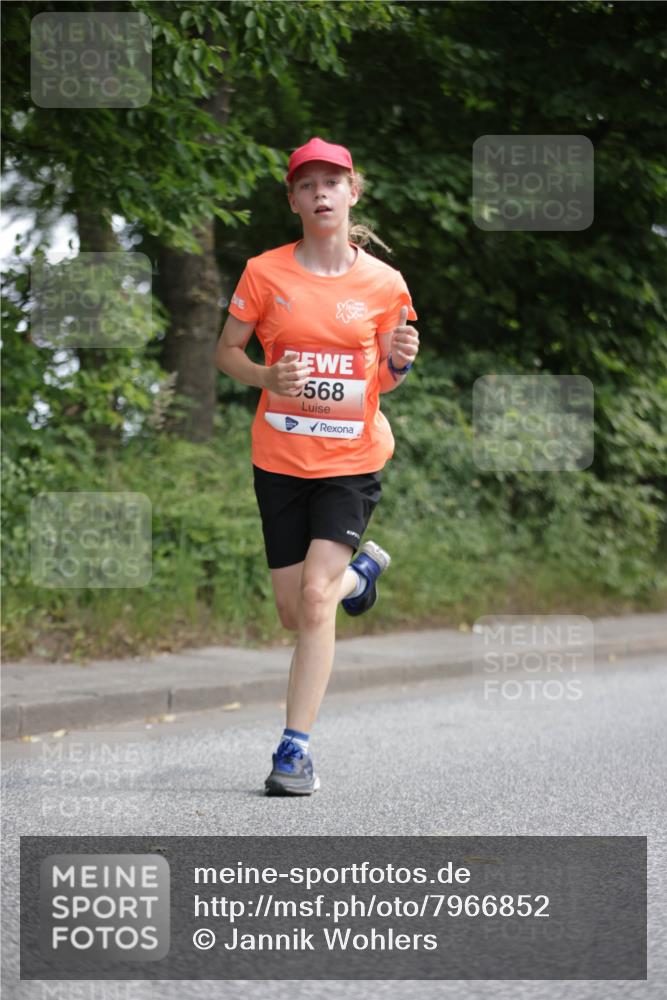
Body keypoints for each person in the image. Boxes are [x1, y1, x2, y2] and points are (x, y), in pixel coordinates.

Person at [216, 137, 419, 796]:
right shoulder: (263, 272)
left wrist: (399, 363)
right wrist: (266, 374)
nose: (321, 193)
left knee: (311, 599)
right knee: (292, 612)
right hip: (278, 458)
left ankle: (293, 751)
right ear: (293, 199)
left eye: (333, 181)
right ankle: (358, 581)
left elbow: (382, 381)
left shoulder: (384, 285)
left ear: (352, 192)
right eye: (308, 184)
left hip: (350, 460)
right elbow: (226, 355)